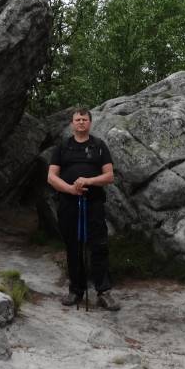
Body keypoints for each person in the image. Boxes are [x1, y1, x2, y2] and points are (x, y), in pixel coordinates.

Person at [47, 107, 120, 310]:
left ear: (90, 122)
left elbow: (109, 176)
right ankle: (75, 290)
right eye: (77, 119)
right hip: (68, 203)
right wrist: (70, 189)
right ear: (72, 123)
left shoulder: (99, 146)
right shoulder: (62, 147)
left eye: (84, 119)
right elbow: (51, 177)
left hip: (93, 202)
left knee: (99, 246)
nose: (81, 122)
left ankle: (103, 292)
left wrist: (88, 181)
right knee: (73, 246)